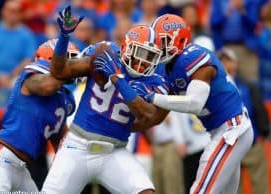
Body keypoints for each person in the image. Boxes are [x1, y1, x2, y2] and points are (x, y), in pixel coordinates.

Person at [95, 14, 254, 194]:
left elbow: (195, 103)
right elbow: (157, 117)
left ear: (180, 39)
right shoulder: (164, 68)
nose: (157, 46)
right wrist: (121, 128)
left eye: (163, 41)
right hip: (222, 131)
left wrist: (152, 97)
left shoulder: (195, 57)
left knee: (201, 189)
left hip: (232, 129)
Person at [42, 23, 170, 193]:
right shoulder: (105, 54)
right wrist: (64, 38)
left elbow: (148, 114)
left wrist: (118, 80)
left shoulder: (155, 79)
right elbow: (60, 71)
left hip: (114, 151)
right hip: (77, 146)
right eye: (141, 52)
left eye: (151, 56)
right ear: (126, 47)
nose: (144, 61)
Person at [0, 6, 82, 192]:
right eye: (67, 61)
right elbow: (48, 86)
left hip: (22, 168)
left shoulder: (64, 99)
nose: (71, 66)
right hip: (0, 157)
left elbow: (59, 138)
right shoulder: (32, 76)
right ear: (48, 61)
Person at [218, 47, 271, 194]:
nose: (225, 64)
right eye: (222, 60)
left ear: (236, 63)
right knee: (234, 189)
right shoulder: (216, 89)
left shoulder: (248, 86)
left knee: (261, 187)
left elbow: (259, 110)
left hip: (253, 144)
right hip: (231, 147)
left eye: (228, 60)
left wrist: (263, 133)